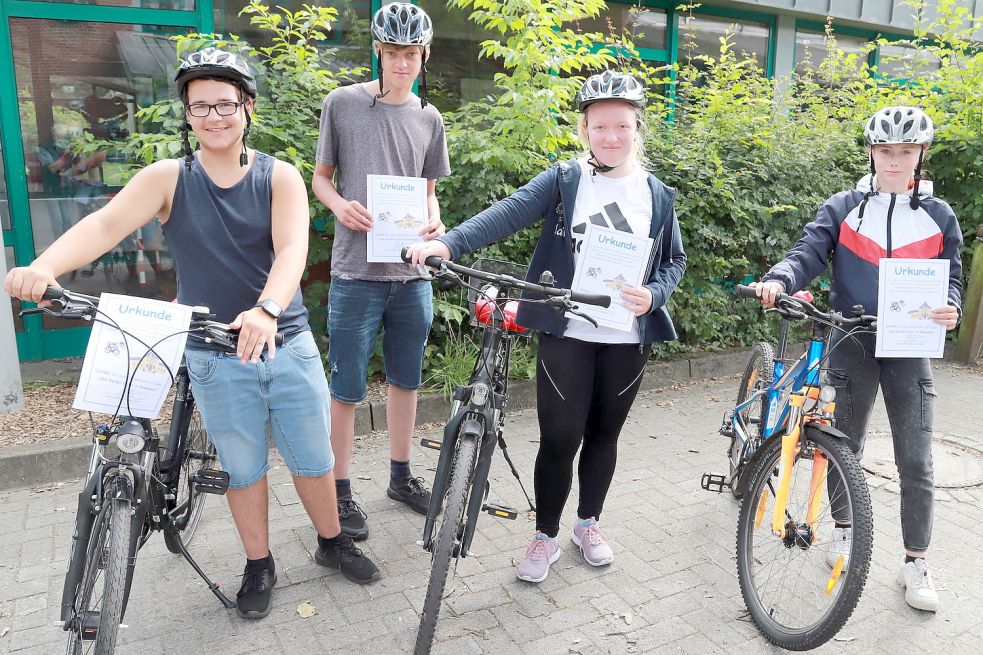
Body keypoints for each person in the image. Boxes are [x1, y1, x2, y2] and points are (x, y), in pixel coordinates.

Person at [4, 47, 381, 621]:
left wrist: (266, 309)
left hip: (285, 341)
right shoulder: (168, 179)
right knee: (243, 466)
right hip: (211, 351)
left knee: (313, 458)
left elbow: (292, 250)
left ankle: (332, 540)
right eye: (200, 106)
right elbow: (106, 223)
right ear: (186, 113)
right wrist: (45, 267)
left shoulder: (279, 176)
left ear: (247, 107)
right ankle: (259, 563)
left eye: (225, 104)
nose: (214, 116)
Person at [406, 70, 687, 583]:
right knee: (559, 438)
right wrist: (448, 245)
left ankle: (589, 524)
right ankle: (545, 535)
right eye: (599, 126)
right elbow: (509, 212)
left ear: (637, 129)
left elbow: (673, 262)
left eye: (621, 126)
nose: (610, 137)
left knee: (604, 436)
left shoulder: (657, 195)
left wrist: (655, 295)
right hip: (567, 331)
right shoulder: (565, 180)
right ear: (584, 130)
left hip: (626, 337)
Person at [751, 106, 963, 612]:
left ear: (920, 156)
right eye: (886, 151)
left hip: (910, 345)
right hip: (851, 339)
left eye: (906, 152)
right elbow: (807, 252)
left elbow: (951, 275)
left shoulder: (939, 216)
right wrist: (780, 279)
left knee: (916, 458)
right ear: (871, 152)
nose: (895, 161)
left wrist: (951, 306)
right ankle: (843, 533)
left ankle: (916, 562)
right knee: (843, 448)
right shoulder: (845, 207)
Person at [312, 2, 450, 539]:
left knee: (405, 381)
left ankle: (401, 475)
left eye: (410, 54)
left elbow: (430, 193)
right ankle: (339, 491)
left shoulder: (429, 117)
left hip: (412, 274)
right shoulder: (342, 104)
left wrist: (435, 224)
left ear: (424, 54)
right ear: (378, 51)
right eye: (392, 53)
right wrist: (339, 206)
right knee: (345, 387)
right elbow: (322, 178)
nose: (401, 63)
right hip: (355, 272)